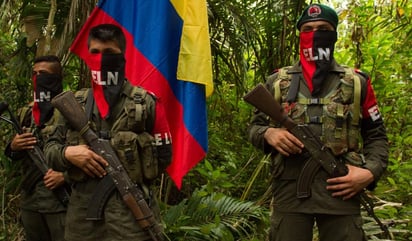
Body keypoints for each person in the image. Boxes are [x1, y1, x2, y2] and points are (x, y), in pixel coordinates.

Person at [247, 4, 388, 241]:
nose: (315, 34)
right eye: (308, 29)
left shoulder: (356, 83)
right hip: (290, 194)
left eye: (323, 28)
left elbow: (377, 136)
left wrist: (369, 173)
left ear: (334, 34)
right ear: (299, 35)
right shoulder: (277, 81)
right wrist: (268, 134)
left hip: (341, 190)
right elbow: (254, 127)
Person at [44, 24, 173, 241]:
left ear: (123, 57)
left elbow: (164, 157)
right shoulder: (74, 103)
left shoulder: (147, 103)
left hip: (130, 215)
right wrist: (68, 154)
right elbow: (49, 149)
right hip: (83, 218)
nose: (101, 59)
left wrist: (132, 170)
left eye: (109, 53)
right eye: (95, 52)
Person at [4, 55, 68, 241]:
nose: (37, 78)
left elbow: (87, 152)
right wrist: (15, 146)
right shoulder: (26, 113)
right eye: (34, 74)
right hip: (31, 201)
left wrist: (64, 177)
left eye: (43, 74)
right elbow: (11, 154)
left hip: (60, 202)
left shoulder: (70, 111)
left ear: (57, 78)